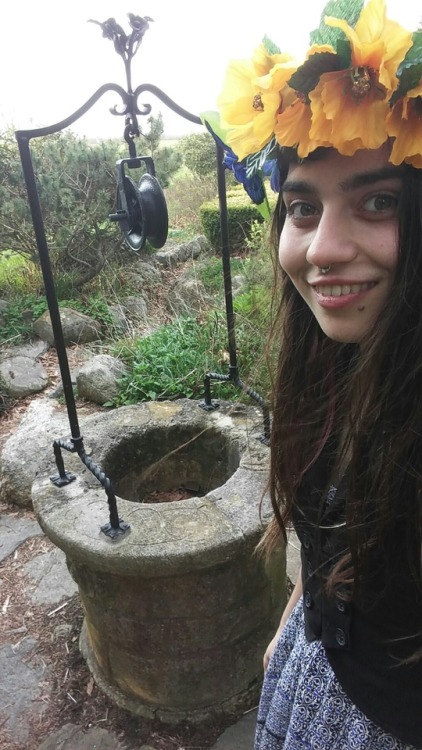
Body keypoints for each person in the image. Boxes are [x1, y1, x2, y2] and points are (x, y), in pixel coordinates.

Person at [213, 0, 422, 747]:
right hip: (313, 676)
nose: (322, 249)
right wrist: (297, 610)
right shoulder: (333, 366)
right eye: (302, 207)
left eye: (377, 201)